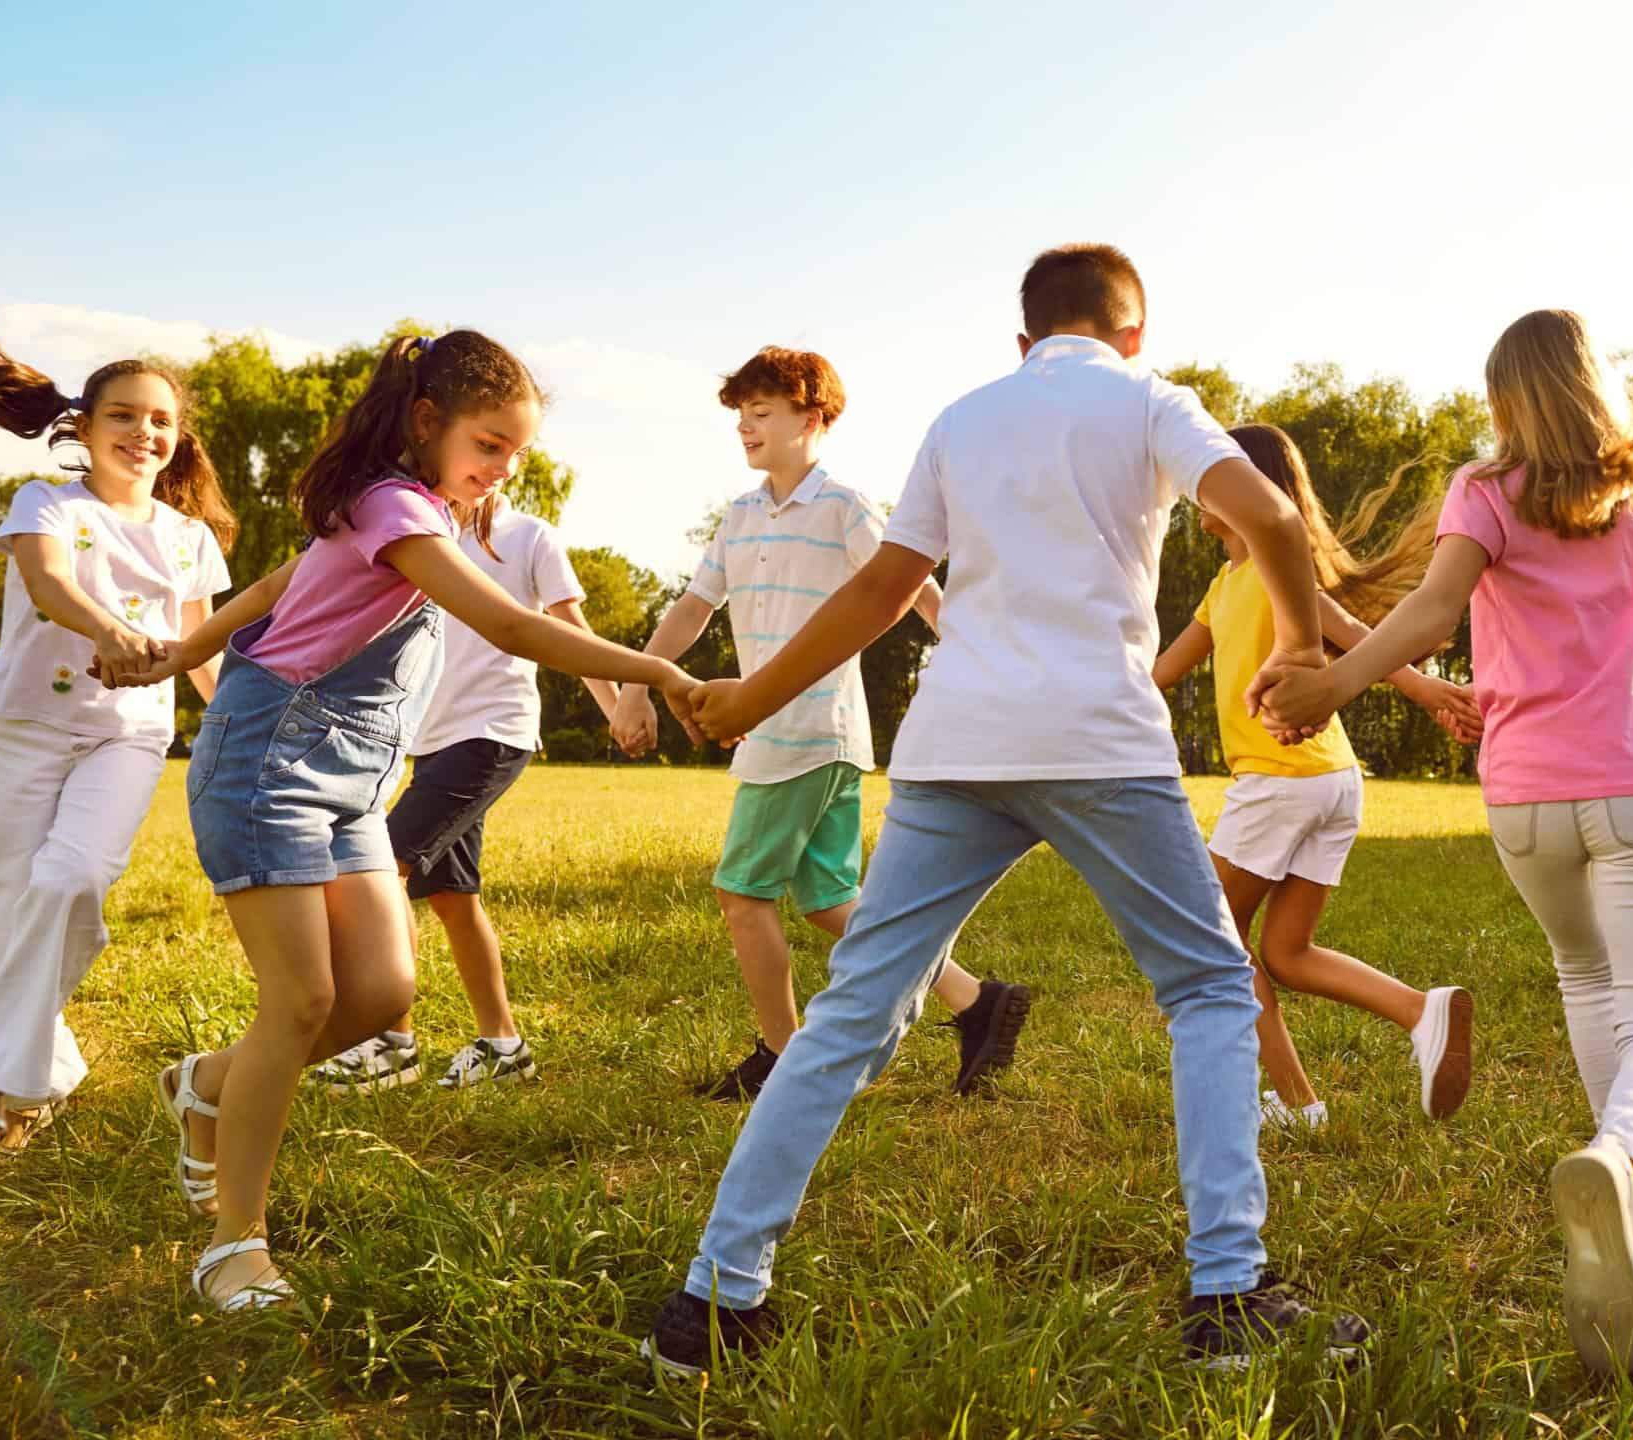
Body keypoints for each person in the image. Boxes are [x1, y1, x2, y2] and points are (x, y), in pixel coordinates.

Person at [638, 245, 1370, 1380]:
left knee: (849, 1014)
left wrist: (749, 697)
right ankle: (1227, 1296)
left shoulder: (965, 416)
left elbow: (882, 591)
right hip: (1098, 743)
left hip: (955, 747)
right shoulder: (1151, 399)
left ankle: (713, 1303)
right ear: (1134, 333)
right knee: (1211, 989)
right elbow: (1270, 520)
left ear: (1023, 343)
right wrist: (1302, 651)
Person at [112, 330, 701, 1311]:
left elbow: (274, 589)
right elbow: (510, 626)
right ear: (427, 423)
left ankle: (209, 1083)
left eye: (518, 452)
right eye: (491, 442)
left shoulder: (408, 511)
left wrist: (179, 655)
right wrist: (661, 670)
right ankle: (234, 1244)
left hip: (350, 781)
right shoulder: (397, 508)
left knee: (381, 995)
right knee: (299, 1002)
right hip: (270, 763)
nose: (506, 467)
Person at [1254, 308, 1633, 1376]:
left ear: (1507, 401)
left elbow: (1430, 611)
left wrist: (1333, 683)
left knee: (1585, 977)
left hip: (1526, 799)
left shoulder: (1484, 493)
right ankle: (1632, 1158)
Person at [613, 347, 1032, 1101]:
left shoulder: (845, 507)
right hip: (793, 738)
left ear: (812, 419)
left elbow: (910, 590)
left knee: (743, 897)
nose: (745, 427)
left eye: (762, 413)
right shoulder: (737, 518)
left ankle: (784, 1058)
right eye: (740, 414)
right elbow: (692, 606)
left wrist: (980, 663)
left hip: (807, 730)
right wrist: (639, 686)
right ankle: (979, 1001)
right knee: (832, 902)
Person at [0, 325, 236, 1157]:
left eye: (161, 421)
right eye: (125, 416)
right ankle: (23, 1076)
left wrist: (252, 718)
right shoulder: (46, 503)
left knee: (72, 880)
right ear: (85, 427)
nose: (145, 433)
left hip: (127, 737)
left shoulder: (190, 537)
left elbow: (200, 651)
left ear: (178, 439)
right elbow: (49, 583)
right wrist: (109, 633)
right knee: (3, 900)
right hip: (27, 727)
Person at [1150, 422, 1483, 1130]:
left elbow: (1358, 641)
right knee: (1285, 952)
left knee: (1213, 941)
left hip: (1279, 779)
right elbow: (1159, 674)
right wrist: (1427, 693)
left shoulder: (1276, 569)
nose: (1194, 492)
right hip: (1331, 780)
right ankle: (1421, 1012)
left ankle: (1297, 1102)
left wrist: (1429, 693)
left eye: (1208, 477)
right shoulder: (1231, 583)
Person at [309, 492, 623, 1094]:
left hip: (492, 733)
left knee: (380, 872)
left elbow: (569, 629)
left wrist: (616, 706)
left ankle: (391, 1043)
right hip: (429, 738)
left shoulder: (530, 537)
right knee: (453, 897)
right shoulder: (416, 533)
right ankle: (502, 1044)